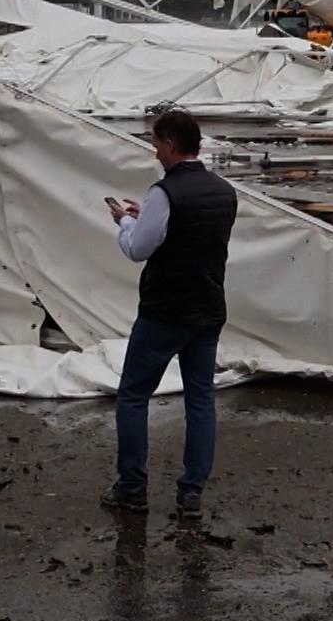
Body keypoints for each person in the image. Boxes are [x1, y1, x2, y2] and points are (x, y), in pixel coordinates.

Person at [102, 109, 237, 519]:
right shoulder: (224, 191)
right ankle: (191, 493)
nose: (155, 151)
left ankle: (132, 488)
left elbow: (137, 249)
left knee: (132, 396)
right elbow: (193, 233)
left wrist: (126, 223)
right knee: (201, 400)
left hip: (165, 311)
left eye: (156, 143)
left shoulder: (164, 192)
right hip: (208, 309)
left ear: (171, 145)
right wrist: (149, 218)